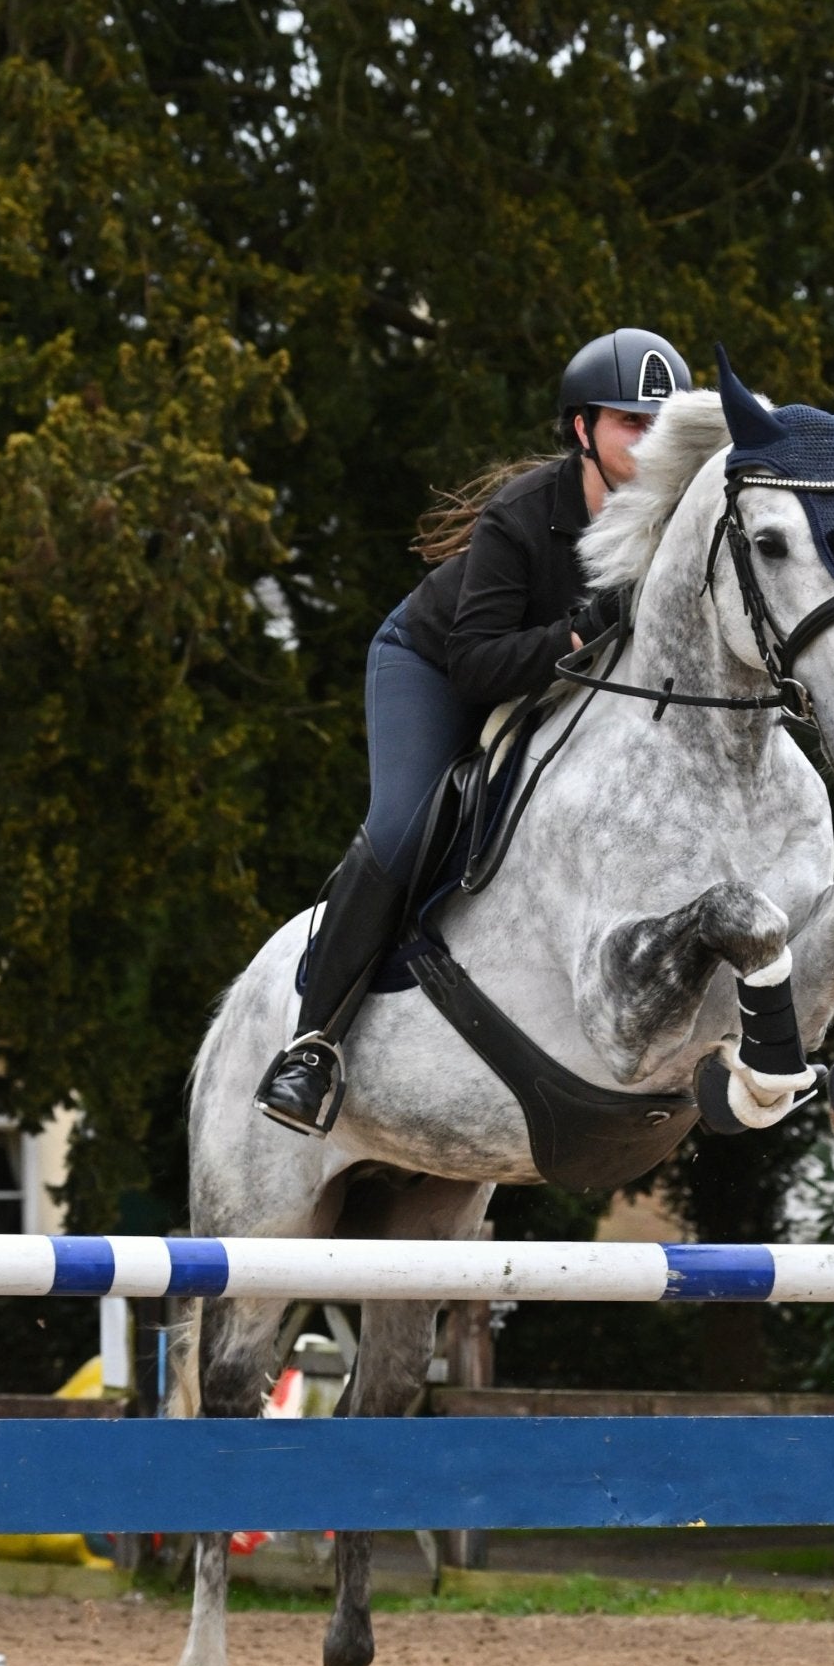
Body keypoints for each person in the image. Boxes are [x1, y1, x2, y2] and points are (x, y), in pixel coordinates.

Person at [254, 327, 693, 1136]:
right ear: (581, 429)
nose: (650, 437)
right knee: (405, 824)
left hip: (568, 693)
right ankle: (312, 1045)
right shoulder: (523, 515)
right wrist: (574, 633)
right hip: (438, 667)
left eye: (662, 423)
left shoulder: (684, 521)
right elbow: (477, 666)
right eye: (630, 420)